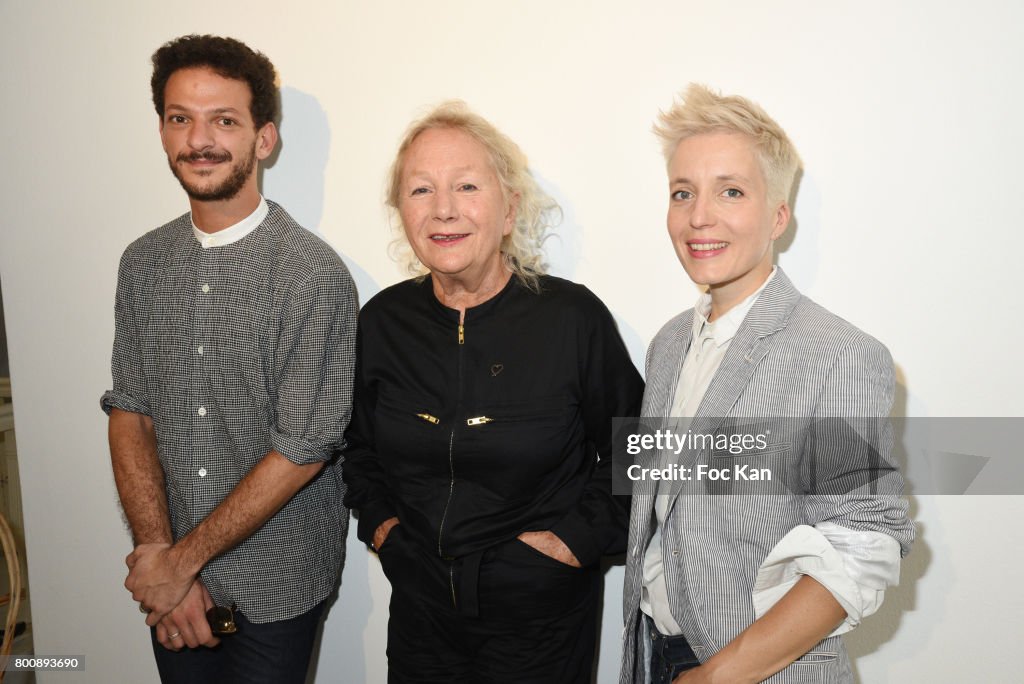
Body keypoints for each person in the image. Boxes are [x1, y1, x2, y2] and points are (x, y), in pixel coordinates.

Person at [619, 85, 915, 684]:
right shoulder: (668, 344)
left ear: (779, 215)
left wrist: (716, 676)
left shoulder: (842, 353)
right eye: (683, 193)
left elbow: (862, 548)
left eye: (731, 191)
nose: (700, 216)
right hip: (652, 657)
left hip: (758, 671)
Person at [342, 101, 644, 684]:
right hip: (421, 624)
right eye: (421, 190)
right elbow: (358, 449)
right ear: (401, 212)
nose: (444, 209)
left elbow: (642, 450)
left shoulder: (572, 319)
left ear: (509, 210)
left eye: (467, 186)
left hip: (542, 626)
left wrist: (572, 544)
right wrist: (384, 529)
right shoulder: (381, 324)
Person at [100, 34, 357, 684]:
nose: (199, 139)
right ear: (161, 131)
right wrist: (159, 555)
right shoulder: (142, 264)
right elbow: (131, 412)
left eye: (224, 120)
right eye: (180, 118)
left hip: (277, 589)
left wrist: (181, 561)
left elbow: (302, 448)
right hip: (169, 584)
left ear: (263, 139)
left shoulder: (312, 275)